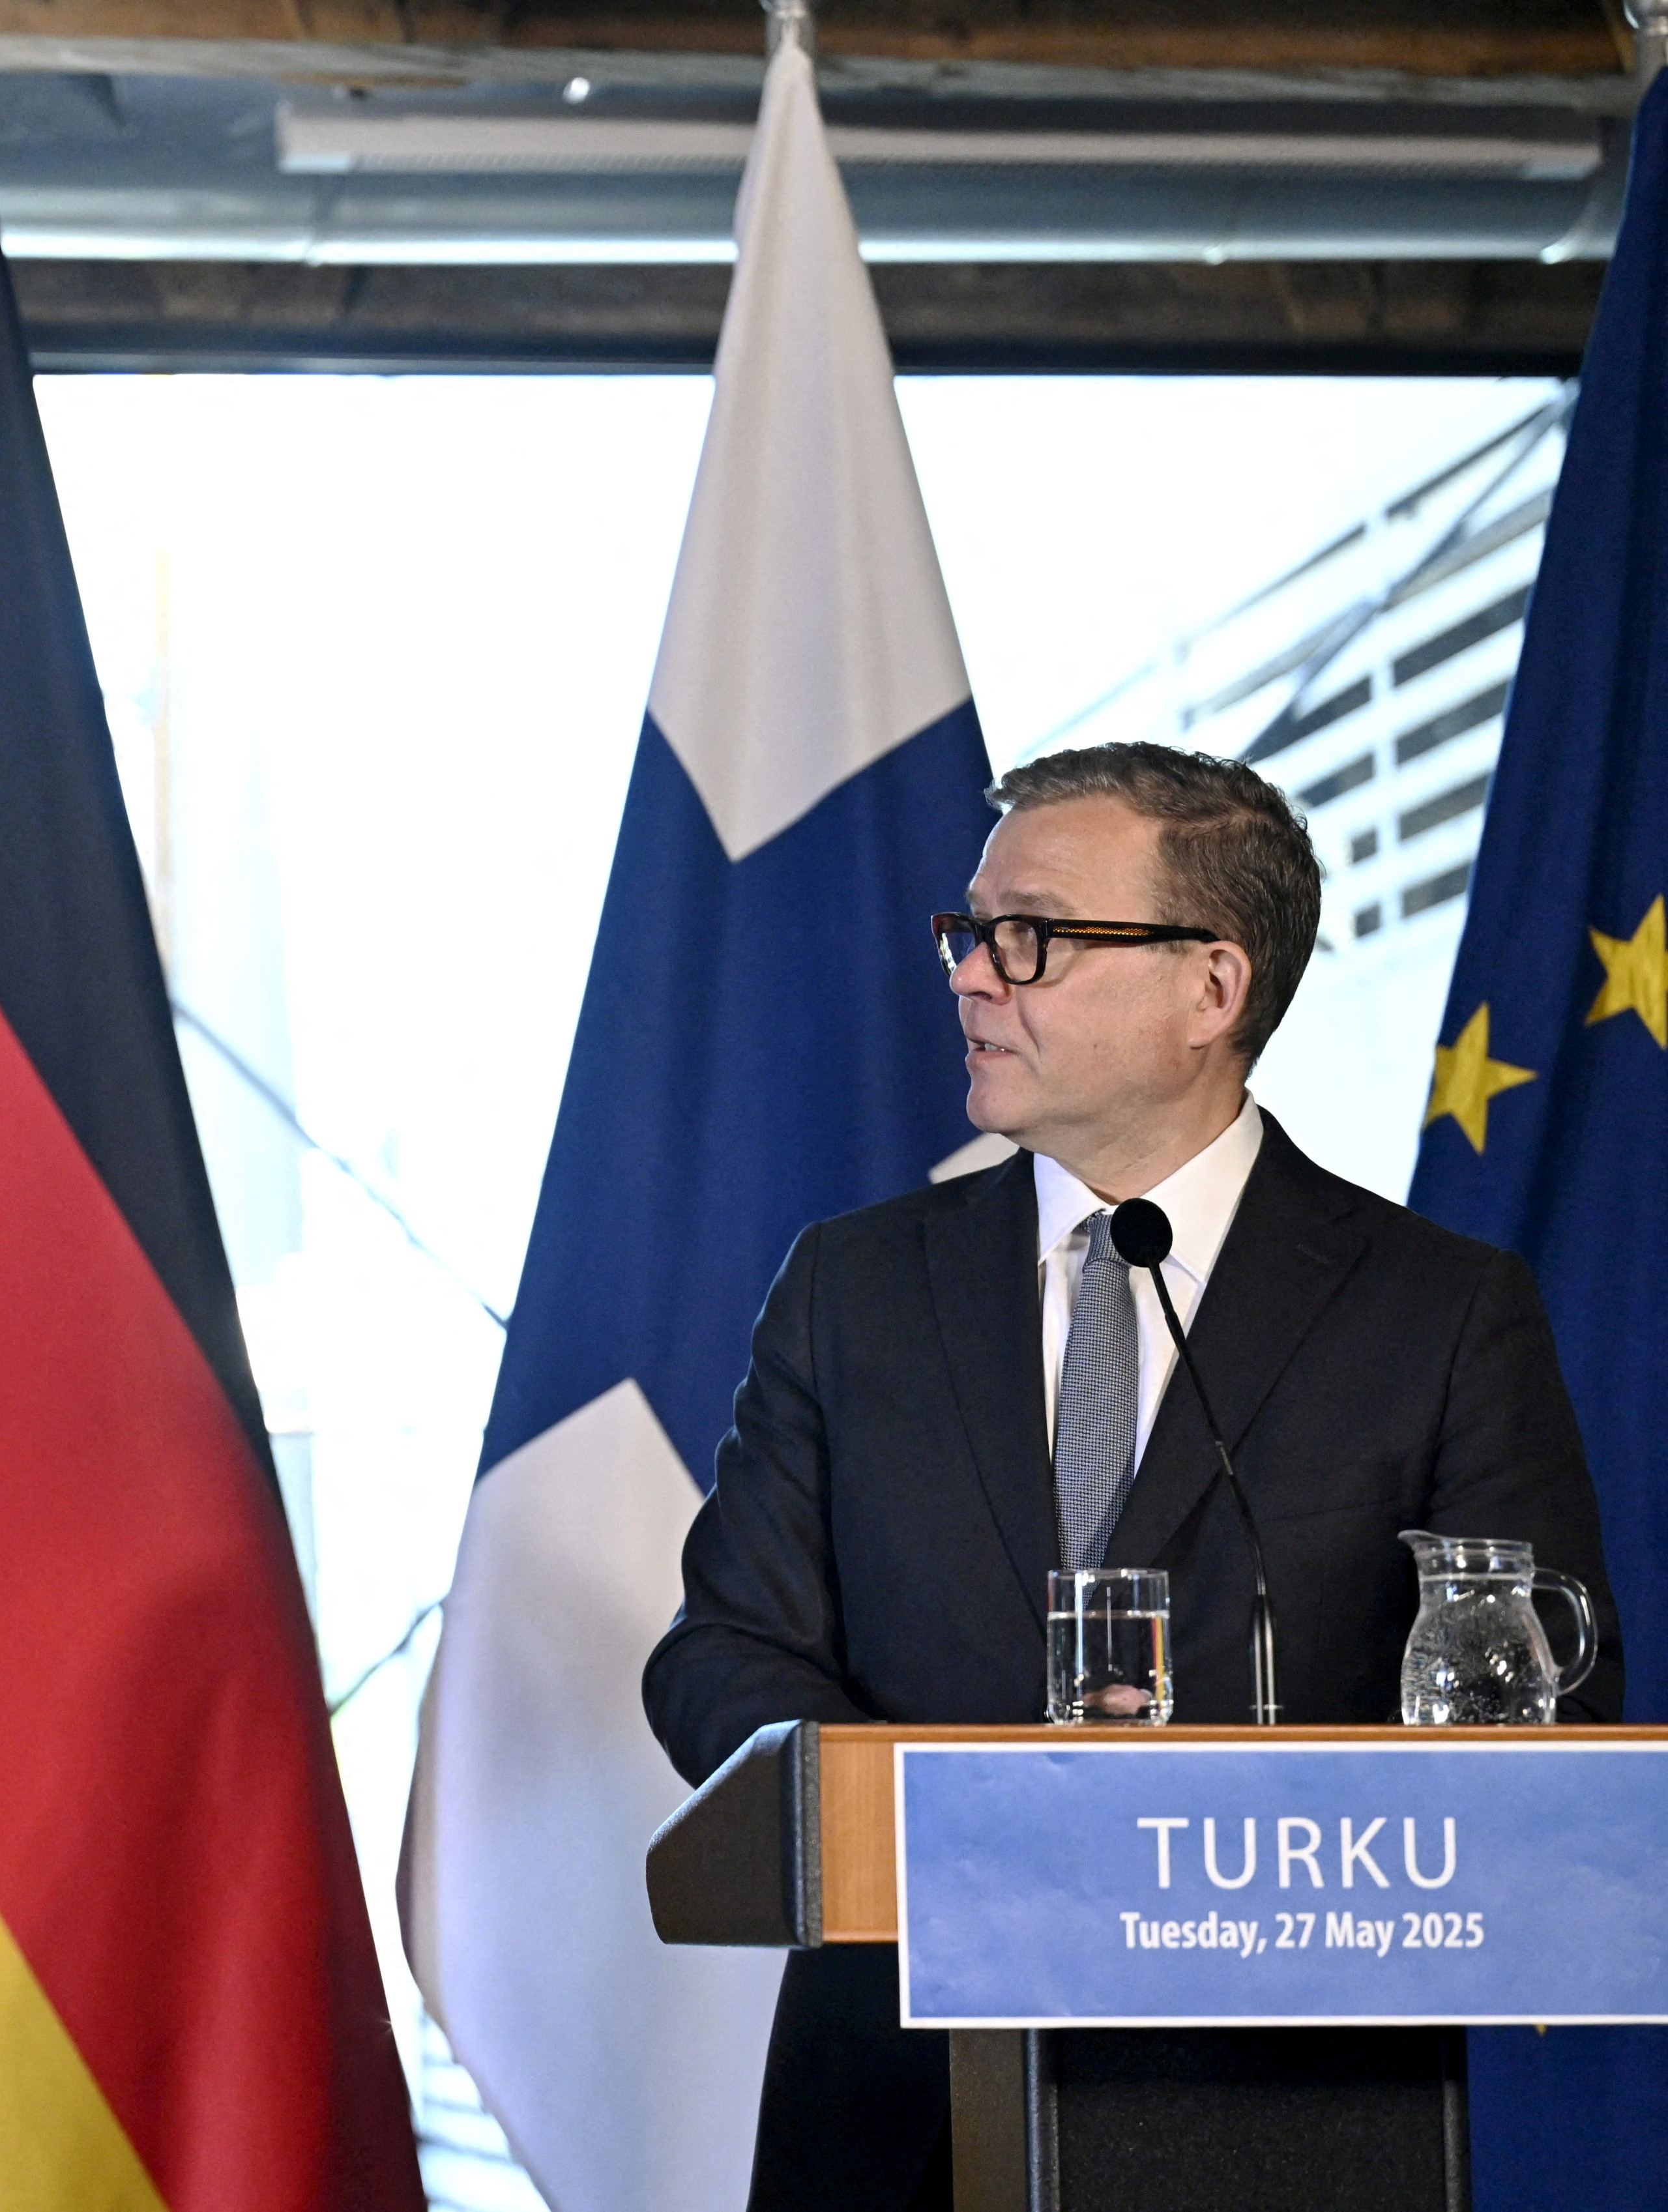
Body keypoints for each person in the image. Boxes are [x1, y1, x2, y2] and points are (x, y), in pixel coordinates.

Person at [641, 741, 1622, 2211]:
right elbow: (721, 1654)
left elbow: (1537, 1713)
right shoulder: (850, 1288)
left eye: (1028, 936)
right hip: (904, 2112)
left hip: (1286, 2127)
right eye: (967, 934)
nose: (973, 974)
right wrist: (955, 1833)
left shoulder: (1438, 1311)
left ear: (1210, 989)